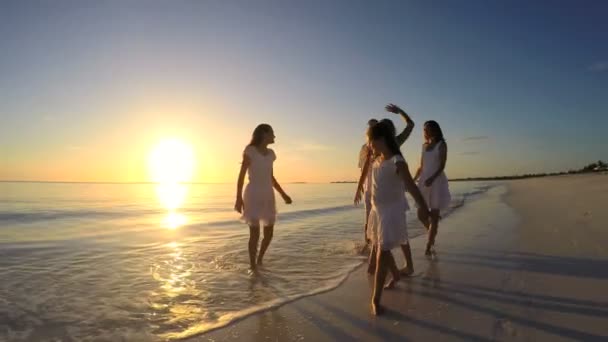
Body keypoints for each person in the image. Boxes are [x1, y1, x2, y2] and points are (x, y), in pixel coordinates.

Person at [365, 121, 430, 315]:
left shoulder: (397, 161)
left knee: (382, 253)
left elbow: (410, 186)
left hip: (391, 212)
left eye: (371, 141)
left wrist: (423, 206)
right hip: (377, 212)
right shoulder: (376, 161)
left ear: (382, 139)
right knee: (379, 246)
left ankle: (375, 300)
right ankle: (395, 274)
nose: (369, 145)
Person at [355, 104, 415, 279]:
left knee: (397, 231)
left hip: (391, 193)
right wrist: (359, 187)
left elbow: (410, 125)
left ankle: (384, 266)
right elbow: (366, 167)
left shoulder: (395, 142)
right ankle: (378, 264)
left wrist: (400, 112)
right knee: (377, 228)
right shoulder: (372, 147)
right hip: (376, 192)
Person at [235, 124, 292, 271]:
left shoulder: (271, 154)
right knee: (254, 233)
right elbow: (241, 176)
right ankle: (253, 266)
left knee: (269, 233)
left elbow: (271, 177)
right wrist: (238, 198)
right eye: (272, 133)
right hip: (253, 194)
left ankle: (260, 259)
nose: (274, 136)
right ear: (264, 134)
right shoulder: (250, 151)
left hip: (268, 194)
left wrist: (283, 194)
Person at [414, 120, 451, 256]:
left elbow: (442, 165)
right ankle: (431, 230)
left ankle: (429, 245)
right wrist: (413, 179)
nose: (425, 132)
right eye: (424, 130)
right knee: (420, 213)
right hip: (424, 181)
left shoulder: (442, 145)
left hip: (436, 181)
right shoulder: (424, 146)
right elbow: (421, 166)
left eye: (427, 129)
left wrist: (433, 178)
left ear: (435, 130)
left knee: (434, 215)